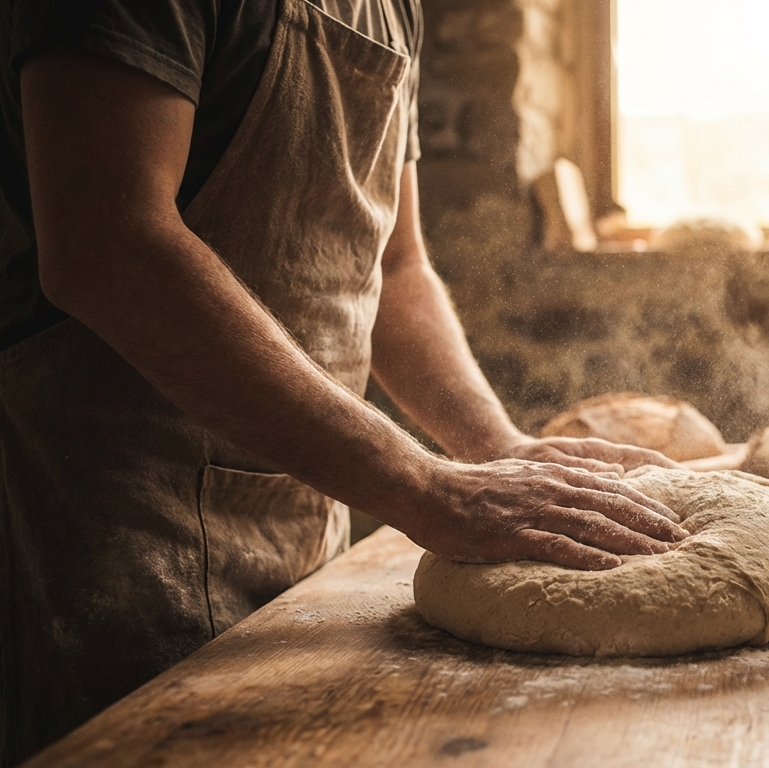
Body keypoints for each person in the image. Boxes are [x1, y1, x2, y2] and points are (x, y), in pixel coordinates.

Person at [0, 0, 685, 761]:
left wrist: (495, 445)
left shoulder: (393, 9)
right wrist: (424, 487)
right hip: (115, 533)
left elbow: (395, 265)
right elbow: (107, 241)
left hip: (306, 511)